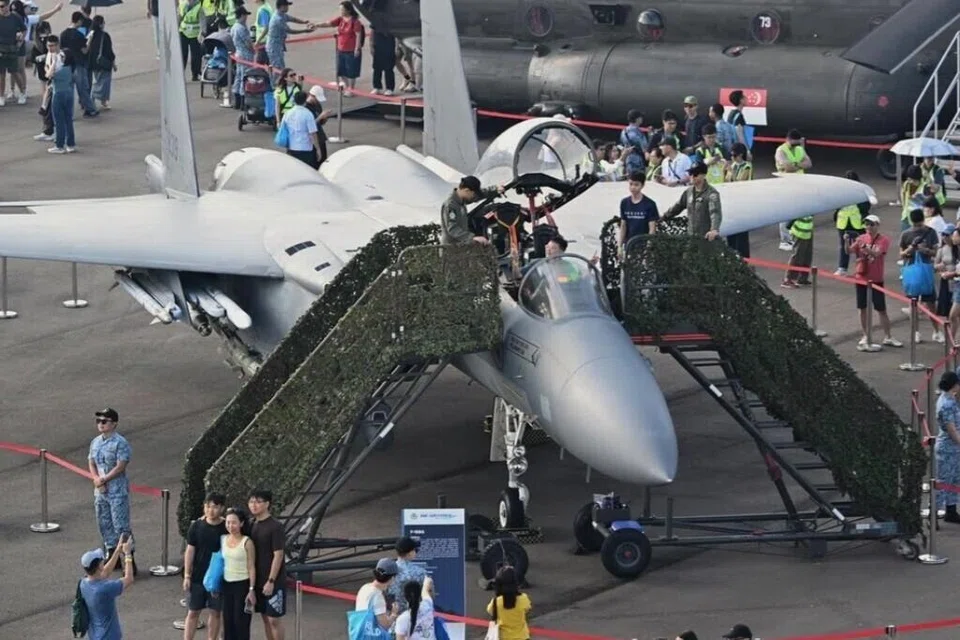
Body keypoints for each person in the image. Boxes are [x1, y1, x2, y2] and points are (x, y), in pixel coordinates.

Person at [87, 408, 136, 573]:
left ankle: (128, 558)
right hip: (101, 490)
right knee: (104, 522)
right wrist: (96, 479)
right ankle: (111, 554)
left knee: (121, 526)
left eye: (104, 421)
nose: (100, 424)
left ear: (114, 423)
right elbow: (92, 462)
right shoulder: (95, 442)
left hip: (116, 490)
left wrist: (104, 479)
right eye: (98, 421)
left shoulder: (119, 443)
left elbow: (121, 466)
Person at [847, 214, 901, 351]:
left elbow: (876, 254)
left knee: (881, 309)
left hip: (876, 279)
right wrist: (846, 241)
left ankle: (888, 336)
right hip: (861, 278)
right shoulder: (860, 238)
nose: (869, 227)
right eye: (867, 224)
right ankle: (865, 334)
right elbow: (849, 251)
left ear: (877, 225)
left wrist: (864, 246)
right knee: (862, 308)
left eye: (872, 224)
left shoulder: (883, 240)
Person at [182, 492, 228, 640]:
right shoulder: (196, 526)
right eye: (207, 506)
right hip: (197, 576)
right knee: (193, 611)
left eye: (214, 507)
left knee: (215, 612)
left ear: (221, 508)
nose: (210, 510)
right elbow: (190, 550)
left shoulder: (226, 527)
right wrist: (187, 575)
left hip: (218, 578)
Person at [79, 535, 135, 640]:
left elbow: (105, 572)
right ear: (98, 566)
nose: (102, 562)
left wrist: (118, 551)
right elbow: (129, 578)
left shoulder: (83, 584)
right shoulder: (104, 588)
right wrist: (127, 554)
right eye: (101, 561)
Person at [248, 489, 286, 639]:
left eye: (258, 502)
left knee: (274, 619)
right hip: (257, 579)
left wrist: (271, 581)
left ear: (267, 504)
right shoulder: (251, 524)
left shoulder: (275, 526)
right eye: (251, 501)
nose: (254, 505)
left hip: (273, 581)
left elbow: (279, 555)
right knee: (264, 617)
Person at [900, 207, 941, 343]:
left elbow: (936, 252)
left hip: (925, 270)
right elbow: (902, 253)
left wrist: (925, 250)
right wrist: (910, 249)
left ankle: (936, 331)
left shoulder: (930, 232)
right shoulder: (906, 234)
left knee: (930, 303)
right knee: (913, 303)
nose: (918, 227)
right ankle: (917, 332)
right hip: (912, 270)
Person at [221, 507, 257, 640]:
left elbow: (251, 567)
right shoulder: (223, 539)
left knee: (240, 622)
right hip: (226, 584)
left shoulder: (247, 542)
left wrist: (251, 590)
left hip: (242, 585)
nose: (231, 526)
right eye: (228, 522)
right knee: (228, 622)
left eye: (234, 522)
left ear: (241, 523)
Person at [661, 163, 722, 241]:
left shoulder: (711, 194)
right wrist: (664, 216)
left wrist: (714, 229)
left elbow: (715, 212)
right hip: (691, 237)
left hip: (705, 238)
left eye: (695, 174)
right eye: (690, 173)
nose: (692, 176)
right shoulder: (689, 191)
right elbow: (678, 206)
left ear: (703, 175)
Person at [774, 129, 812, 250]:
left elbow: (809, 163)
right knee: (786, 212)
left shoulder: (799, 148)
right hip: (785, 184)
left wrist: (794, 165)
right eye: (794, 143)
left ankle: (792, 235)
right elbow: (787, 167)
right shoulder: (781, 150)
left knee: (797, 210)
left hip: (799, 184)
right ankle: (784, 240)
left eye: (797, 143)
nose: (796, 146)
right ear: (788, 140)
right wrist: (799, 164)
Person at [440, 175, 503, 245]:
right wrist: (472, 238)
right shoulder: (451, 205)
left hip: (461, 246)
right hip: (450, 249)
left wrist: (495, 189)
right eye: (473, 194)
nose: (474, 196)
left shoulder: (461, 200)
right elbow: (453, 229)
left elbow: (479, 195)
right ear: (467, 190)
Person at [316, 1, 362, 95]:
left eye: (342, 9)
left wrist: (357, 48)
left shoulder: (355, 22)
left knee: (351, 71)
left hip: (351, 50)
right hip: (341, 49)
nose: (340, 11)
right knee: (341, 70)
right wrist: (317, 25)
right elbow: (328, 23)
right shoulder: (340, 19)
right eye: (340, 9)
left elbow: (358, 35)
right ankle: (347, 86)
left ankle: (351, 89)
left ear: (348, 10)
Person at [833, 170, 869, 276]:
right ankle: (842, 268)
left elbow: (866, 206)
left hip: (857, 223)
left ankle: (862, 268)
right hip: (843, 222)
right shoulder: (839, 191)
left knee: (860, 247)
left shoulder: (862, 191)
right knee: (844, 246)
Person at [936, 370, 960, 523]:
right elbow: (952, 430)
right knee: (943, 483)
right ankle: (934, 514)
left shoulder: (947, 398)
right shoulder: (947, 405)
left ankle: (951, 511)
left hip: (953, 449)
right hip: (948, 449)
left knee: (954, 481)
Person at [278, 89, 322, 168]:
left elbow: (283, 129)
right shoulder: (308, 114)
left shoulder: (287, 113)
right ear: (305, 101)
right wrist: (318, 149)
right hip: (306, 148)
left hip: (291, 147)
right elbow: (313, 133)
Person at [618, 170, 658, 256]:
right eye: (631, 184)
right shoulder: (624, 203)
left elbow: (652, 228)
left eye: (636, 184)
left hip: (643, 245)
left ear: (642, 185)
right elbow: (623, 225)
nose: (633, 187)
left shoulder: (650, 204)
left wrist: (648, 247)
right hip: (629, 245)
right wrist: (619, 246)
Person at [355, 557, 400, 631]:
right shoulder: (377, 596)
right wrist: (394, 614)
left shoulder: (365, 587)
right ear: (392, 578)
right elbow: (385, 625)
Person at [486, 566, 531, 640]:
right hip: (522, 637)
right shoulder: (523, 599)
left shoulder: (496, 602)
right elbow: (527, 608)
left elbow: (490, 611)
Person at [723, 142, 752, 257]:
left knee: (741, 237)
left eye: (734, 156)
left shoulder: (747, 166)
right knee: (731, 235)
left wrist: (731, 171)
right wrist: (724, 171)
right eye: (731, 155)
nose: (732, 158)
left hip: (742, 203)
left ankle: (743, 258)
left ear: (740, 155)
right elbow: (725, 182)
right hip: (731, 203)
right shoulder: (733, 166)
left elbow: (740, 183)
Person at [387, 536, 427, 613]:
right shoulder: (420, 572)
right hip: (414, 617)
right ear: (410, 552)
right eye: (415, 550)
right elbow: (426, 596)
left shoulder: (388, 570)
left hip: (392, 617)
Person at [47, 44, 75, 153]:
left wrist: (53, 62)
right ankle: (70, 144)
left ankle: (59, 145)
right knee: (68, 119)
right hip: (69, 93)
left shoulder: (59, 70)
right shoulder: (70, 68)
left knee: (59, 121)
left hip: (58, 94)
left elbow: (49, 75)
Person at [87, 14, 114, 111]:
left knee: (98, 80)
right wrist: (113, 62)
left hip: (93, 63)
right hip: (104, 62)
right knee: (104, 83)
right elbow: (109, 51)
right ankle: (101, 99)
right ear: (101, 24)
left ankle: (97, 100)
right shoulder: (105, 36)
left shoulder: (90, 34)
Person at [781, 214, 814, 289]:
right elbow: (789, 223)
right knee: (797, 256)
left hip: (807, 230)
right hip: (800, 232)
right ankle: (788, 279)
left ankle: (802, 277)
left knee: (807, 255)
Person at [229, 6, 253, 110]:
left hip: (238, 54)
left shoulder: (234, 27)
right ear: (242, 15)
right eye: (245, 15)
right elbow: (248, 43)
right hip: (245, 55)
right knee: (245, 77)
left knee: (238, 77)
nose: (246, 17)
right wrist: (253, 50)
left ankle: (237, 101)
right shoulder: (242, 28)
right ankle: (243, 102)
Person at [619, 109, 647, 175]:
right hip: (638, 160)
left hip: (627, 158)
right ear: (637, 119)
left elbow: (621, 145)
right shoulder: (638, 132)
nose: (642, 119)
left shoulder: (624, 131)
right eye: (641, 117)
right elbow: (644, 147)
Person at [369, 26, 395, 95]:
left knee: (389, 68)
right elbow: (372, 32)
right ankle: (377, 87)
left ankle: (389, 88)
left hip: (389, 45)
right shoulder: (376, 20)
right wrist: (371, 45)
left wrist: (397, 47)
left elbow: (397, 34)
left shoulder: (392, 19)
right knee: (377, 68)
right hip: (377, 45)